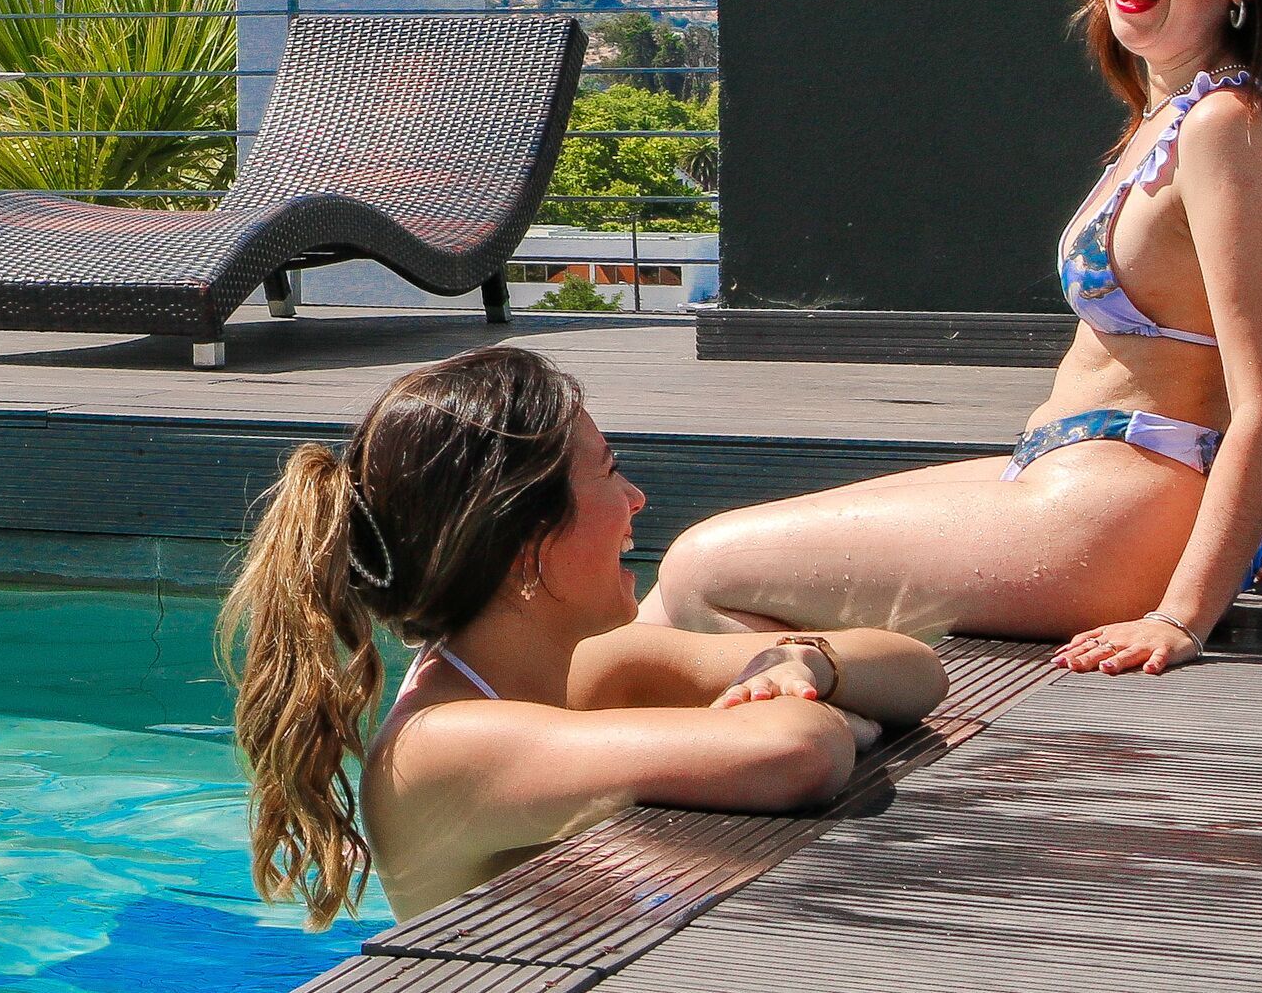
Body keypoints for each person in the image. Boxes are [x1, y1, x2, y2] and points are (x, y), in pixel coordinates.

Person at [641, 0, 1262, 676]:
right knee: (677, 592)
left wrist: (1183, 613)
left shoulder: (1225, 130)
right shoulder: (1176, 113)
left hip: (1114, 523)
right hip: (1077, 484)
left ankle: (838, 703)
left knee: (697, 569)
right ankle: (550, 745)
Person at [219, 345, 943, 923]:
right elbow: (797, 750)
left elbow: (917, 670)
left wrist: (798, 660)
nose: (635, 499)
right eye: (609, 472)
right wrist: (814, 695)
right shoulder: (441, 744)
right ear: (531, 544)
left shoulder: (586, 667)